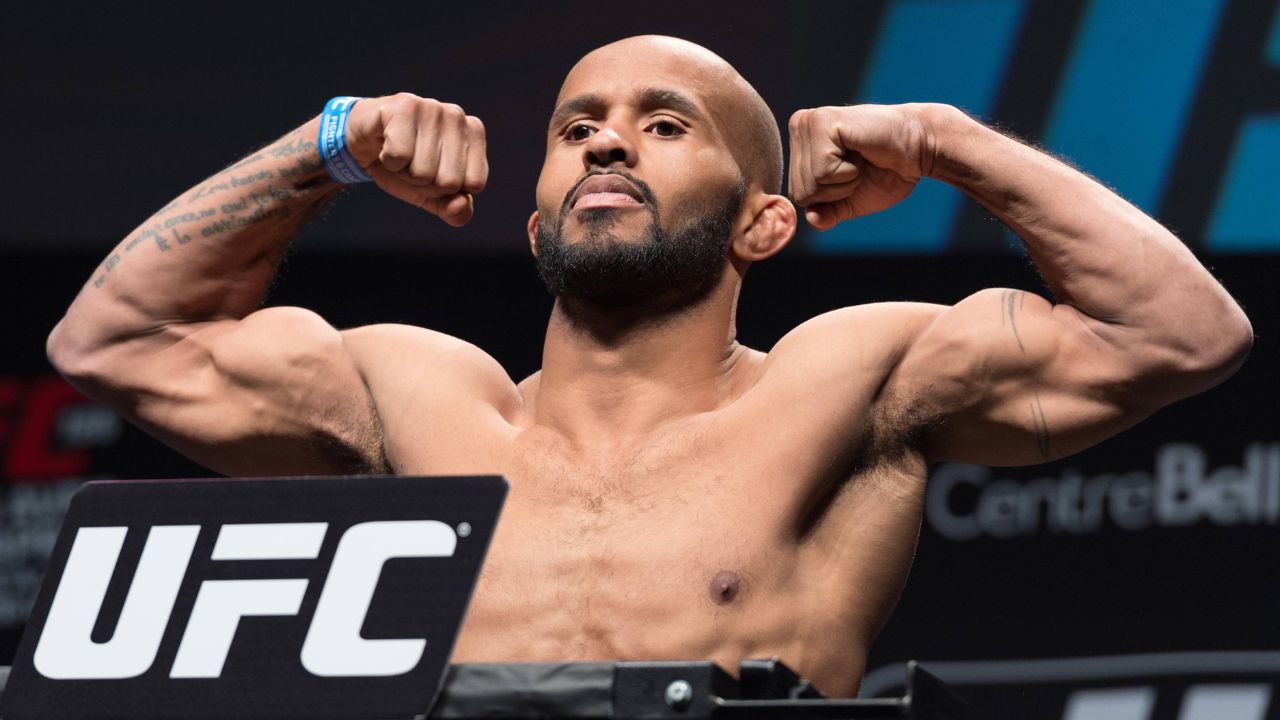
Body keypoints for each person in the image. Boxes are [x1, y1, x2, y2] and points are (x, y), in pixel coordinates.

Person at [46, 35, 1251, 696]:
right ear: (535, 222)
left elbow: (1177, 335)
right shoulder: (409, 393)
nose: (607, 138)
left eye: (665, 124)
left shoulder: (846, 378)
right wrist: (326, 149)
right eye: (577, 129)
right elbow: (110, 342)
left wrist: (944, 143)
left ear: (761, 223)